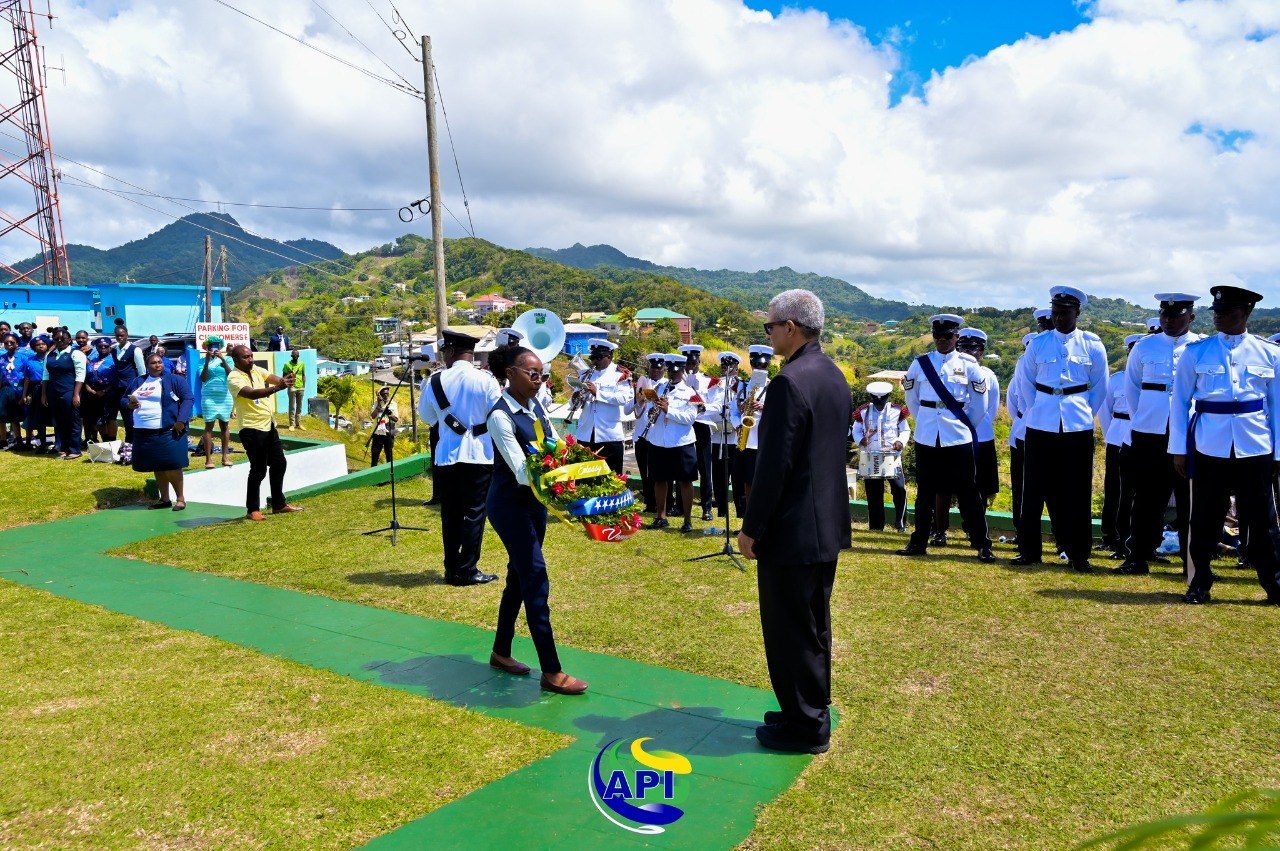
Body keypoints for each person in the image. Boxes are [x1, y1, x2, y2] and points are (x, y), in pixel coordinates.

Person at [737, 289, 850, 755]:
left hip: (792, 527)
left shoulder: (789, 381)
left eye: (769, 327)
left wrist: (752, 527)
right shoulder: (832, 374)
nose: (767, 334)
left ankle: (806, 726)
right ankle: (805, 706)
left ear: (790, 328)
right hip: (823, 522)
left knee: (790, 630)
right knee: (811, 625)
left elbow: (774, 467)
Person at [484, 345, 588, 695]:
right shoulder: (500, 416)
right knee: (535, 577)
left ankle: (501, 651)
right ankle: (552, 670)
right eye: (532, 373)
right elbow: (519, 471)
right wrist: (564, 475)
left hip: (535, 504)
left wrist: (583, 465)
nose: (538, 380)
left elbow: (556, 445)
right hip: (509, 505)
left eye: (542, 374)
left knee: (519, 576)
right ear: (510, 373)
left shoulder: (536, 406)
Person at [1170, 285, 1280, 605]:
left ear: (1245, 314)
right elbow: (1179, 404)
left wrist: (1278, 452)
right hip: (1209, 446)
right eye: (1216, 312)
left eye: (1227, 312)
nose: (1218, 317)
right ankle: (1199, 582)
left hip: (1255, 445)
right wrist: (1178, 448)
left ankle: (1274, 585)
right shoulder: (1197, 352)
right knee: (1204, 517)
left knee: (1263, 521)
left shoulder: (1269, 354)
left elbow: (1277, 406)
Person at [1009, 286, 1108, 571]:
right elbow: (1026, 383)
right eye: (1055, 313)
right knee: (1033, 489)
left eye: (1065, 313)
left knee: (1077, 491)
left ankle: (1079, 554)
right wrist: (1035, 411)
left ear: (1077, 313)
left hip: (1077, 423)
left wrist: (1084, 413)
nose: (1059, 318)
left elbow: (1100, 387)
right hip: (1040, 422)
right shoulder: (1038, 344)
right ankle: (1029, 550)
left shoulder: (1092, 345)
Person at [1114, 293, 1203, 576]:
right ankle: (1138, 557)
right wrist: (1145, 417)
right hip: (1150, 431)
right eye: (1165, 315)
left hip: (1188, 431)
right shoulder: (1144, 347)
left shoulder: (1201, 347)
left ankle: (1193, 564)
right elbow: (1132, 389)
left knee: (1190, 500)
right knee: (1146, 499)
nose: (1169, 321)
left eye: (1176, 316)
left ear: (1191, 317)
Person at [896, 314, 994, 562]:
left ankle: (982, 544)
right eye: (937, 336)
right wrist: (925, 421)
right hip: (928, 435)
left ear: (956, 337)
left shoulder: (969, 365)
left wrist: (964, 424)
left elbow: (980, 403)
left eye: (947, 336)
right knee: (925, 492)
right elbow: (912, 399)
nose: (942, 340)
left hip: (958, 435)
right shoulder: (920, 364)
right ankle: (918, 541)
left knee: (968, 491)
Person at [417, 329, 502, 586]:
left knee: (450, 514)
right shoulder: (486, 380)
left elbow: (427, 417)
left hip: (446, 456)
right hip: (479, 454)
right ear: (471, 352)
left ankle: (451, 567)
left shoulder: (434, 381)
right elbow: (497, 415)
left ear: (451, 351)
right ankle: (467, 569)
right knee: (474, 513)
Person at [227, 344, 304, 521]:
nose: (250, 359)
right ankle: (252, 509)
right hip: (251, 429)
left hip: (268, 425)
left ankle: (278, 504)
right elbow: (252, 394)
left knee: (279, 463)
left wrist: (285, 380)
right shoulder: (234, 377)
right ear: (236, 360)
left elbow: (273, 378)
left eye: (251, 355)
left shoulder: (255, 369)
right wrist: (278, 387)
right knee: (259, 469)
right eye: (246, 357)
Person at [123, 352, 193, 510]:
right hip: (144, 432)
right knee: (158, 465)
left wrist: (181, 420)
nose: (157, 365)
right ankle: (164, 499)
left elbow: (188, 399)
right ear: (147, 366)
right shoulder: (138, 381)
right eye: (153, 363)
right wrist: (129, 405)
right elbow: (122, 399)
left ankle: (180, 499)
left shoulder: (175, 380)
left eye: (159, 362)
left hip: (168, 431)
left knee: (172, 465)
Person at [1097, 334, 1143, 556]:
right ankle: (1111, 535)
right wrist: (1111, 436)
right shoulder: (1116, 380)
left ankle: (1140, 540)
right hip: (1118, 437)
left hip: (1145, 438)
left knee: (1140, 492)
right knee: (1114, 490)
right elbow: (1104, 412)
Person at [644, 353, 700, 532]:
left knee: (685, 481)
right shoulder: (660, 388)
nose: (673, 375)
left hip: (681, 441)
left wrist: (669, 410)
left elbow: (690, 418)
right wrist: (653, 411)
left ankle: (688, 520)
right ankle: (661, 516)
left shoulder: (690, 392)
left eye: (676, 372)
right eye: (670, 371)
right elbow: (650, 411)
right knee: (659, 479)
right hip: (659, 439)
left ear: (683, 370)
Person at [853, 381, 910, 532]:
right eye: (876, 399)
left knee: (899, 490)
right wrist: (861, 440)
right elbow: (856, 430)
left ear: (887, 397)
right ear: (871, 397)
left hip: (893, 457)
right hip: (871, 456)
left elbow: (905, 430)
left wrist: (900, 441)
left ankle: (901, 524)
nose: (879, 403)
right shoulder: (863, 411)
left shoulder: (897, 411)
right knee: (874, 493)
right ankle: (876, 526)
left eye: (882, 399)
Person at [572, 338, 631, 474]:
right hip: (586, 433)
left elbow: (622, 398)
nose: (595, 361)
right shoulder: (586, 375)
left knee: (611, 476)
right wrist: (575, 398)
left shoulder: (620, 374)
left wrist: (598, 393)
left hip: (608, 435)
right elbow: (575, 403)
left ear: (609, 356)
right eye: (593, 357)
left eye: (599, 357)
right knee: (585, 478)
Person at [731, 345, 773, 511]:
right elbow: (733, 411)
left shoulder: (774, 386)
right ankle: (748, 522)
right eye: (756, 365)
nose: (759, 368)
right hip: (744, 440)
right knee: (745, 482)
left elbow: (781, 413)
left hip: (762, 442)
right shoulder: (742, 386)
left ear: (767, 365)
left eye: (762, 365)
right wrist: (738, 424)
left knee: (761, 484)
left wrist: (764, 407)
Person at [679, 344, 716, 520]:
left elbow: (716, 404)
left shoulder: (709, 381)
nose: (690, 366)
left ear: (698, 361)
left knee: (704, 468)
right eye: (687, 363)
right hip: (684, 425)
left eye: (693, 363)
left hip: (701, 424)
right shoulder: (678, 382)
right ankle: (680, 505)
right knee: (682, 467)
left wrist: (703, 406)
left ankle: (706, 507)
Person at [1006, 332, 1036, 542]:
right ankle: (1021, 531)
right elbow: (1011, 408)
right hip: (1021, 434)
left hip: (1047, 434)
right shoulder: (1016, 380)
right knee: (1020, 486)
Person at [42, 326, 86, 460]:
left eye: (63, 338)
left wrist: (76, 394)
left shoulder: (76, 353)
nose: (60, 340)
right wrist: (44, 394)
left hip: (69, 391)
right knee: (59, 421)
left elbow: (80, 375)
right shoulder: (50, 354)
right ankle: (64, 448)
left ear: (69, 340)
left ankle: (75, 449)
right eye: (56, 339)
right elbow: (45, 375)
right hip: (53, 392)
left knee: (72, 421)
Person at [708, 352, 741, 520]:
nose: (726, 369)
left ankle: (740, 510)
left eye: (730, 366)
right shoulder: (714, 385)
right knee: (719, 476)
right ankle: (722, 509)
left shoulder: (741, 385)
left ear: (736, 367)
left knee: (736, 477)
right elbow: (709, 407)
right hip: (718, 436)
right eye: (723, 366)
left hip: (735, 437)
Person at [632, 353, 666, 513]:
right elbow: (629, 410)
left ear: (664, 369)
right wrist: (637, 399)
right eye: (653, 368)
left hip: (657, 435)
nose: (656, 371)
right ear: (649, 368)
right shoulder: (642, 383)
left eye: (659, 368)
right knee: (644, 471)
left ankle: (665, 504)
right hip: (641, 435)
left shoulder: (667, 385)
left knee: (658, 473)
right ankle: (649, 503)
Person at [199, 336, 235, 468]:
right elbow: (203, 378)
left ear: (220, 347)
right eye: (210, 346)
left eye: (216, 346)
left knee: (225, 425)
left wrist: (223, 359)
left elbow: (231, 375)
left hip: (225, 396)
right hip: (209, 396)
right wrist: (207, 362)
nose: (213, 349)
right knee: (209, 426)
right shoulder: (202, 361)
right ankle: (208, 459)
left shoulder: (228, 359)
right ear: (207, 348)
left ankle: (225, 457)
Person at [110, 321, 146, 445]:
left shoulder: (135, 350)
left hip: (131, 387)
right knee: (125, 416)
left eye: (122, 335)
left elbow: (141, 370)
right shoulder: (114, 350)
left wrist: (141, 388)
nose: (120, 337)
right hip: (118, 388)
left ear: (127, 335)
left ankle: (132, 442)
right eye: (118, 335)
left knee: (132, 416)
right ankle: (129, 442)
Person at [81, 337, 119, 444]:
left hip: (109, 392)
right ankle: (104, 441)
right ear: (96, 348)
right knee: (98, 419)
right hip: (93, 393)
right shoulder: (92, 360)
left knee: (110, 418)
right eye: (100, 346)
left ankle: (112, 442)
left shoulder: (113, 360)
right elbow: (86, 376)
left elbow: (117, 378)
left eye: (106, 346)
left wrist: (104, 391)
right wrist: (88, 388)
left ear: (110, 347)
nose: (103, 348)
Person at [20, 333, 49, 451]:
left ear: (47, 345)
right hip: (36, 389)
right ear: (34, 347)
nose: (41, 346)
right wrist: (24, 394)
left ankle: (59, 443)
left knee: (54, 417)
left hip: (51, 389)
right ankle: (42, 443)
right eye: (37, 345)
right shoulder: (29, 360)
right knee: (39, 417)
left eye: (43, 344)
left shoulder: (51, 357)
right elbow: (27, 378)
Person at [0, 334, 23, 449]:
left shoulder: (22, 357)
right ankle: (3, 440)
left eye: (12, 342)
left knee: (16, 415)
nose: (9, 344)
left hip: (18, 390)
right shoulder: (1, 358)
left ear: (17, 344)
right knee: (1, 414)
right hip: (4, 389)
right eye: (6, 343)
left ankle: (19, 440)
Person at [370, 386, 399, 466]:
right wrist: (378, 407)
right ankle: (373, 473)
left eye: (387, 394)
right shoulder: (376, 404)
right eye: (383, 394)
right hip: (378, 433)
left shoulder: (393, 404)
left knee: (389, 455)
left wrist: (388, 413)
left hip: (389, 432)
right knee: (375, 454)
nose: (386, 396)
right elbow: (373, 416)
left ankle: (390, 473)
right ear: (380, 395)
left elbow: (396, 419)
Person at [280, 348, 306, 429]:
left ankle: (298, 424)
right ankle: (292, 424)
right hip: (292, 387)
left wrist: (304, 386)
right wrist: (288, 384)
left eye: (297, 354)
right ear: (291, 355)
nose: (295, 356)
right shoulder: (287, 364)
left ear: (298, 356)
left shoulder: (302, 364)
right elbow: (283, 377)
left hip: (300, 387)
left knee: (300, 406)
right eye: (294, 354)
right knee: (292, 406)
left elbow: (303, 375)